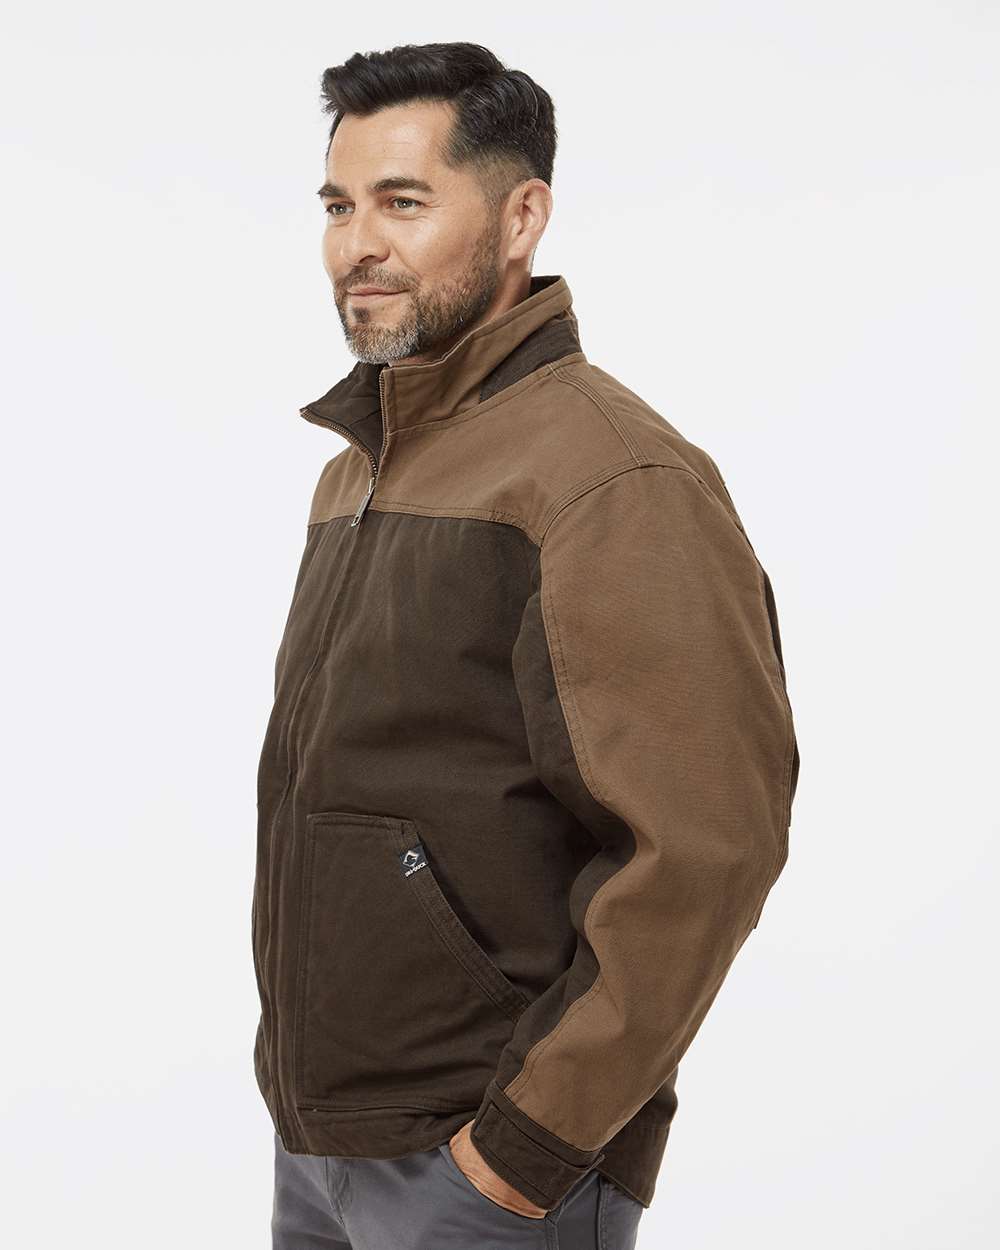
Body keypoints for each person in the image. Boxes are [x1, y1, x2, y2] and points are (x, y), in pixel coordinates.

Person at [252, 40, 800, 1250]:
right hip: (324, 1143)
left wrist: (524, 1145)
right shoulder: (357, 471)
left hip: (487, 1168)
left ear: (520, 218)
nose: (356, 245)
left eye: (403, 202)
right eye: (338, 206)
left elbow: (706, 845)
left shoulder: (608, 476)